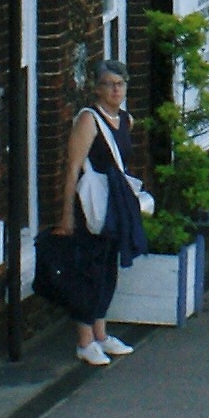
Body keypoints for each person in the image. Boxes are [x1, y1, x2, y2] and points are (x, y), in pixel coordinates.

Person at [42, 67, 147, 365]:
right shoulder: (89, 120)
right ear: (97, 89)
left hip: (112, 204)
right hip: (89, 205)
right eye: (109, 84)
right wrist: (66, 216)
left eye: (121, 84)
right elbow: (73, 167)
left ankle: (101, 334)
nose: (116, 90)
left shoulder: (126, 120)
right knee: (88, 269)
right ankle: (84, 340)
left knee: (107, 268)